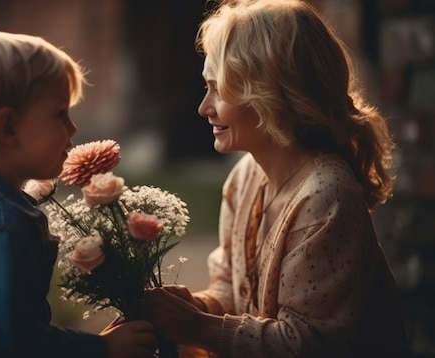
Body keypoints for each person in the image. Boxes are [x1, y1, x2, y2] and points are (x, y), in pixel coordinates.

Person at [143, 0, 409, 357]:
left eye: (218, 89)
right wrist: (194, 306)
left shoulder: (327, 196)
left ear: (271, 93)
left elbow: (310, 344)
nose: (203, 108)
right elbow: (231, 295)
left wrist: (196, 327)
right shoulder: (244, 179)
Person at [0, 26, 157, 357]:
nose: (73, 128)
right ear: (8, 128)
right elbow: (13, 346)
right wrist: (101, 348)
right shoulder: (0, 225)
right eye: (60, 114)